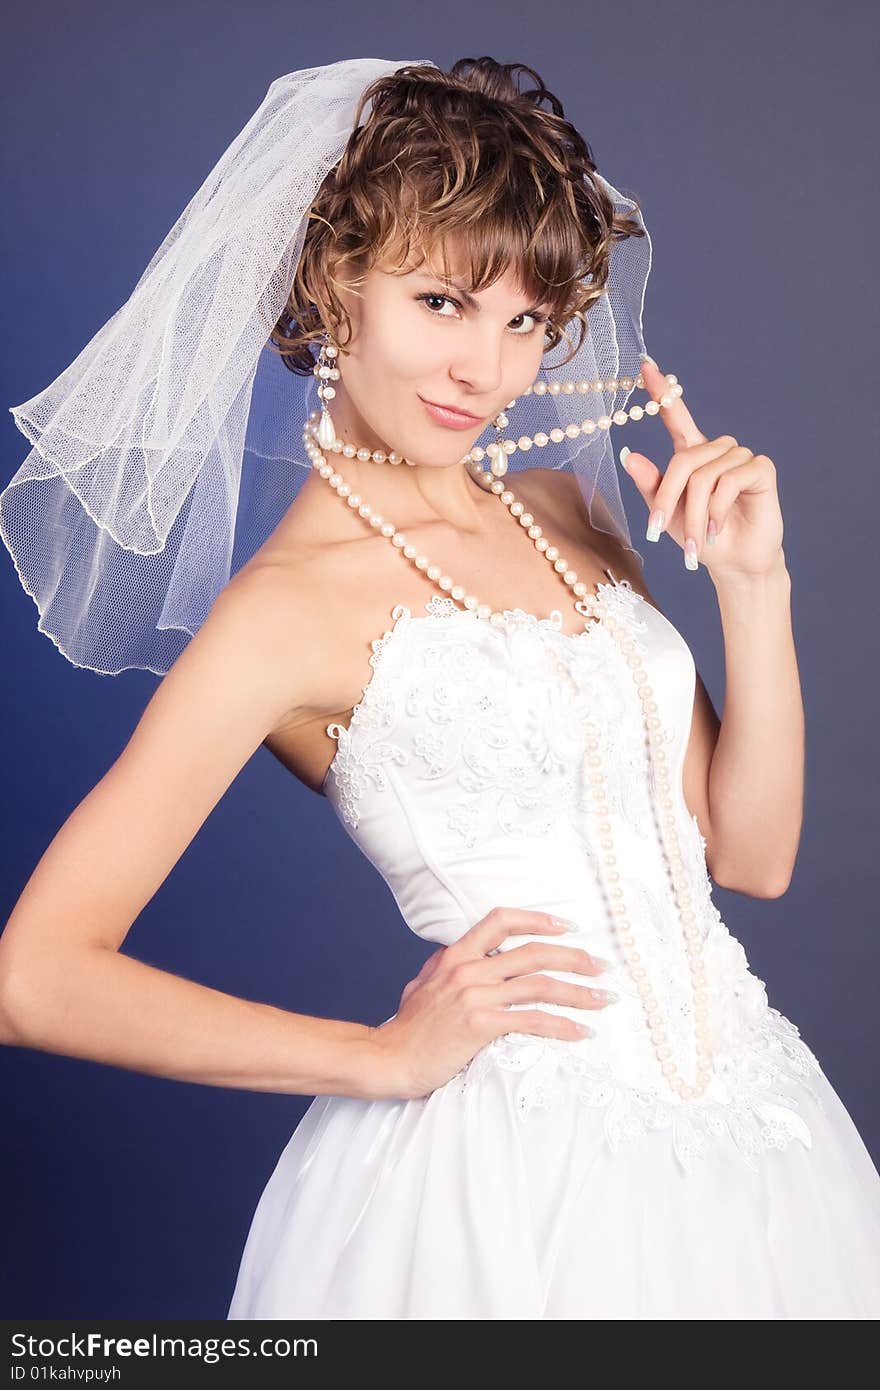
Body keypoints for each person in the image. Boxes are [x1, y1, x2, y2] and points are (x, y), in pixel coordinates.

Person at [1, 56, 879, 1320]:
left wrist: (757, 583)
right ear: (330, 282)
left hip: (760, 1139)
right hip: (509, 1179)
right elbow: (34, 977)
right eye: (441, 302)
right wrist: (380, 1057)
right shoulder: (279, 615)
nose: (488, 368)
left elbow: (751, 854)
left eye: (525, 322)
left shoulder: (563, 510)